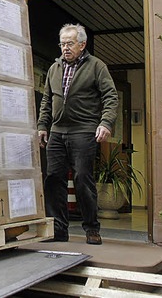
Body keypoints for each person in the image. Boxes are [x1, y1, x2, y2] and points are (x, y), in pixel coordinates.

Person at [37, 23, 118, 245]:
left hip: (83, 130)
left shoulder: (96, 66)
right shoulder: (54, 69)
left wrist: (105, 123)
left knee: (83, 179)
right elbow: (47, 100)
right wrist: (42, 126)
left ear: (82, 45)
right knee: (54, 180)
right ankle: (58, 231)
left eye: (70, 43)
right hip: (57, 131)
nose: (65, 48)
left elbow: (110, 96)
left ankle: (92, 228)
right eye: (62, 44)